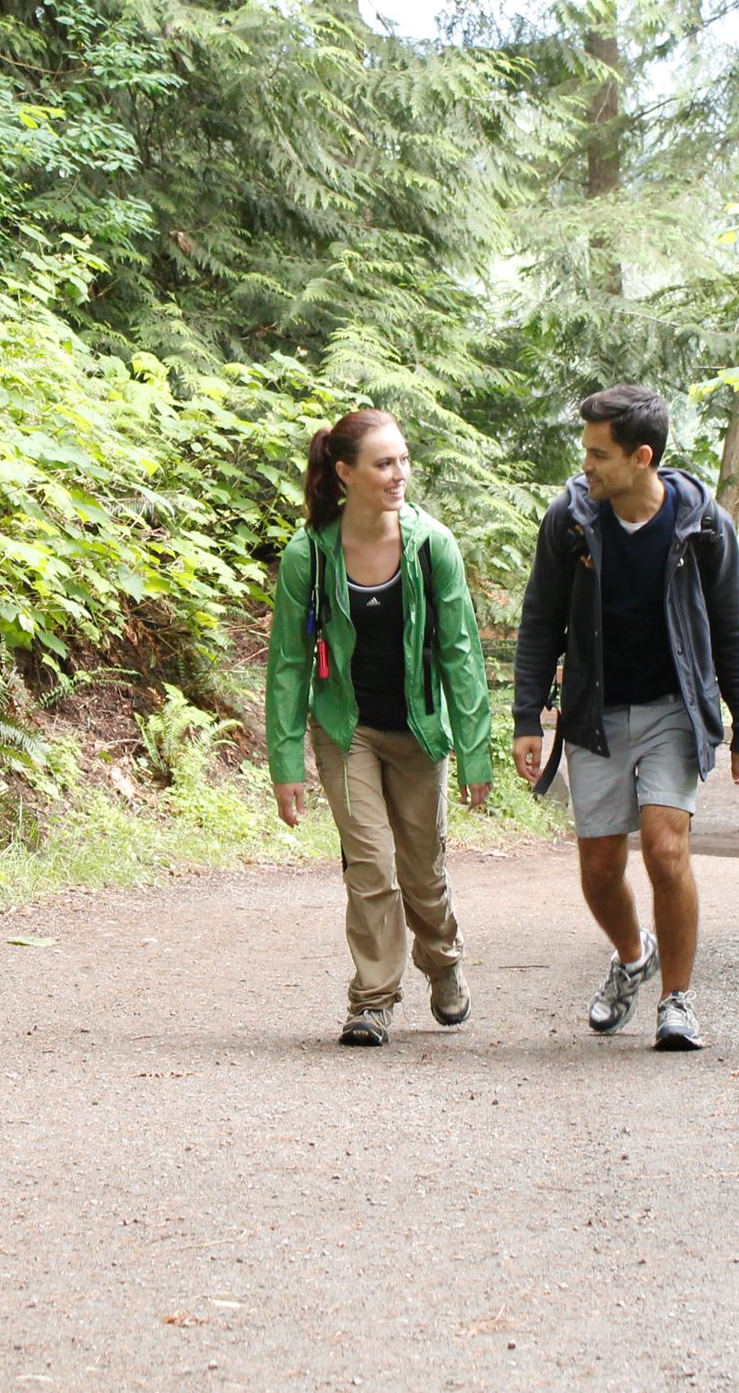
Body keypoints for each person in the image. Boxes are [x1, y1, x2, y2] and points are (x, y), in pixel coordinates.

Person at [510, 384, 739, 1052]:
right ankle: (632, 956)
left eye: (599, 453)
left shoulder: (701, 522)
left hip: (672, 709)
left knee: (664, 846)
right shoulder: (571, 519)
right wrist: (527, 717)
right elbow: (541, 618)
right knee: (598, 869)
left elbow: (733, 626)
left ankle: (676, 999)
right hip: (595, 711)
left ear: (641, 456)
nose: (585, 465)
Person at [267, 409, 495, 1048]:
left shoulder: (431, 547)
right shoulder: (308, 555)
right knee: (372, 867)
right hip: (348, 731)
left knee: (423, 874)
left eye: (403, 460)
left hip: (420, 731)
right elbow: (287, 664)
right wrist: (286, 763)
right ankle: (372, 1001)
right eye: (384, 463)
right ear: (346, 474)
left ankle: (443, 962)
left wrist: (476, 754)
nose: (400, 475)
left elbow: (461, 655)